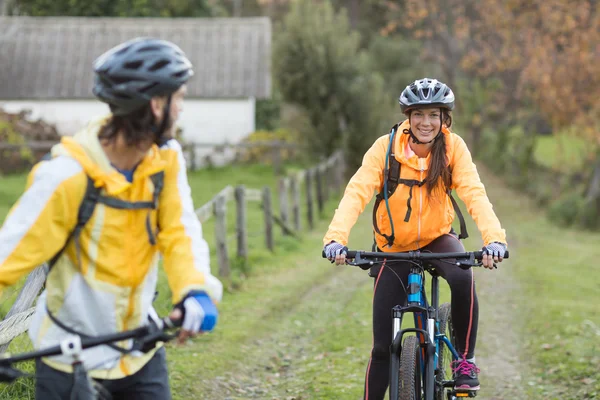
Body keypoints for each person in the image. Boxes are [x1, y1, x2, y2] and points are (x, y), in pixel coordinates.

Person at [0, 37, 223, 399]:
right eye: (178, 98)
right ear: (155, 104)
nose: (181, 109)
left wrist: (194, 289)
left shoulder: (163, 161)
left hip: (139, 351)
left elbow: (179, 230)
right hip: (68, 361)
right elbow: (7, 257)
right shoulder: (66, 176)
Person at [323, 78, 507, 399]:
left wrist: (494, 240)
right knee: (382, 348)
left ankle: (465, 361)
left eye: (433, 115)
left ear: (444, 118)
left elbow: (475, 194)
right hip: (393, 246)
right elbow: (357, 192)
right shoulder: (385, 148)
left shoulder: (453, 148)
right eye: (419, 114)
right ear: (408, 117)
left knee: (463, 275)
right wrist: (336, 239)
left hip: (438, 238)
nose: (426, 122)